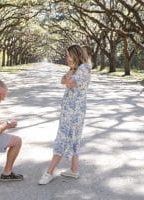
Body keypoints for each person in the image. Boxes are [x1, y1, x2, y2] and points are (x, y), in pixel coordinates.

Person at [38, 44, 92, 185]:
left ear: (76, 55)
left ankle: (49, 172)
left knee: (63, 138)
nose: (67, 58)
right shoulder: (76, 69)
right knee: (73, 138)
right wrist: (70, 72)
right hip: (70, 110)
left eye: (69, 55)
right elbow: (62, 80)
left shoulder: (84, 68)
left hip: (74, 111)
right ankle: (74, 170)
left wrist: (70, 75)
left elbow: (69, 83)